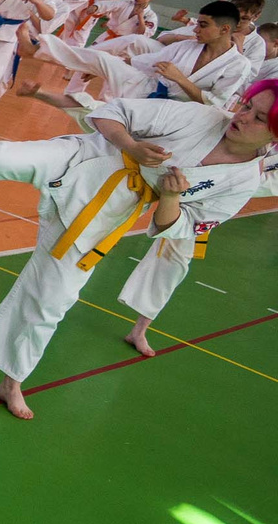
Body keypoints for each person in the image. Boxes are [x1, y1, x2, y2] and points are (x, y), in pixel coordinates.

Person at [0, 82, 276, 421]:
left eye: (258, 118)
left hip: (107, 211)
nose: (242, 116)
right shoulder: (204, 117)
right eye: (246, 106)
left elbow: (183, 226)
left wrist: (170, 197)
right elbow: (112, 112)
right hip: (85, 157)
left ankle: (11, 382)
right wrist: (130, 145)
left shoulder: (242, 182)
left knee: (53, 300)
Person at [118, 106, 278, 357]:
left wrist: (247, 172)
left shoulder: (255, 164)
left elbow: (261, 181)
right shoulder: (255, 115)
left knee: (176, 261)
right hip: (183, 162)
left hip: (213, 195)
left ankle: (139, 330)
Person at [31, 0, 255, 109]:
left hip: (179, 112)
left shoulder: (238, 64)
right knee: (103, 58)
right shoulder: (188, 46)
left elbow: (215, 103)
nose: (195, 29)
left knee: (106, 111)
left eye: (203, 25)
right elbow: (146, 62)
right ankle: (37, 48)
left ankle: (72, 102)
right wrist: (101, 68)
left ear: (224, 29)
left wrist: (180, 79)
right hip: (149, 89)